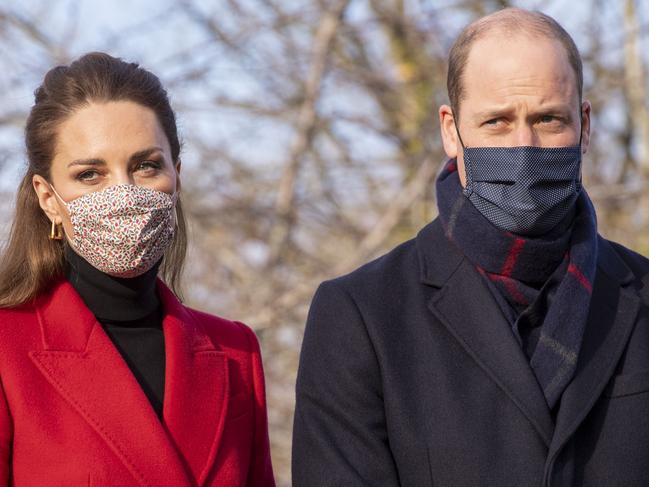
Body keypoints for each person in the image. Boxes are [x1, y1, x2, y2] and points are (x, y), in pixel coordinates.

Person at [292, 7, 649, 487]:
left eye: (548, 119)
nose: (525, 148)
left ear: (584, 126)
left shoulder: (642, 298)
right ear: (450, 130)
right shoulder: (362, 314)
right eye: (496, 122)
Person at [0, 52, 275, 486]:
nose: (124, 192)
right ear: (48, 196)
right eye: (91, 174)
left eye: (146, 166)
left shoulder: (235, 351)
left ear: (177, 176)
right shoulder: (7, 348)